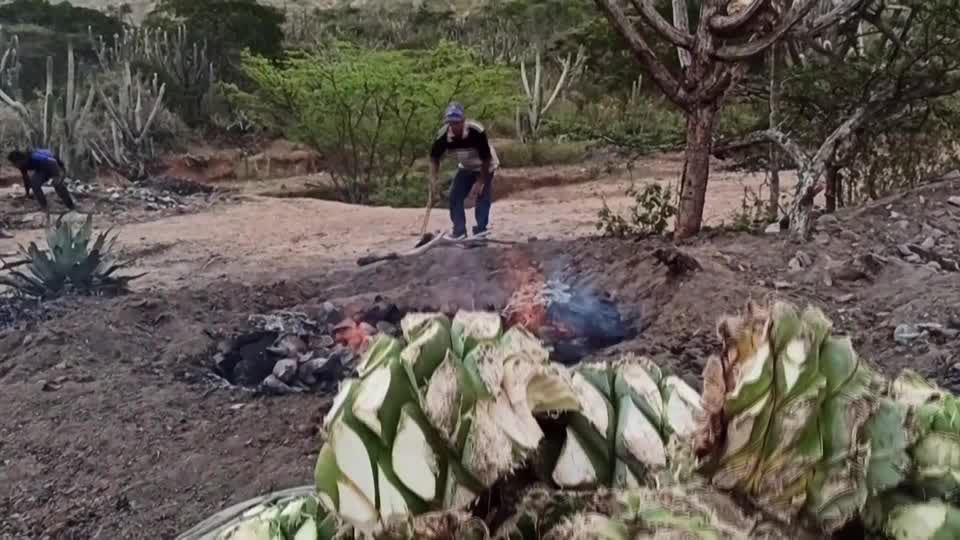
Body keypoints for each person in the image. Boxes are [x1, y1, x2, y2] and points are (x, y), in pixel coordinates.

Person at [429, 102, 500, 240]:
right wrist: (433, 179)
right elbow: (434, 158)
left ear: (463, 120)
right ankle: (459, 231)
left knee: (482, 196)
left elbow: (486, 158)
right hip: (466, 166)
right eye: (451, 123)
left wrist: (480, 182)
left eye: (457, 122)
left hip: (485, 165)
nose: (454, 126)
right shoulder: (444, 134)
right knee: (454, 196)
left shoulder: (476, 131)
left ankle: (480, 232)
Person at [7, 148, 76, 214]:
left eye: (15, 164)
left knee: (57, 185)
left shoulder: (34, 156)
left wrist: (56, 176)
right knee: (34, 183)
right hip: (42, 169)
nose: (15, 166)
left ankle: (71, 207)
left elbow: (53, 162)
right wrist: (27, 194)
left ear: (19, 160)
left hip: (55, 165)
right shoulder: (21, 165)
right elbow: (26, 179)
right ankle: (44, 207)